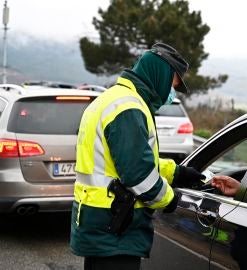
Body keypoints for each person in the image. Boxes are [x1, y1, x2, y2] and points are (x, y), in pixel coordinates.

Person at [70, 43, 204, 270]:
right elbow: (138, 174)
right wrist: (171, 200)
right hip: (114, 225)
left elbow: (128, 160)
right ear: (160, 74)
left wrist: (177, 172)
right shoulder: (128, 107)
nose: (171, 92)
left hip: (100, 222)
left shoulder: (115, 98)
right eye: (173, 84)